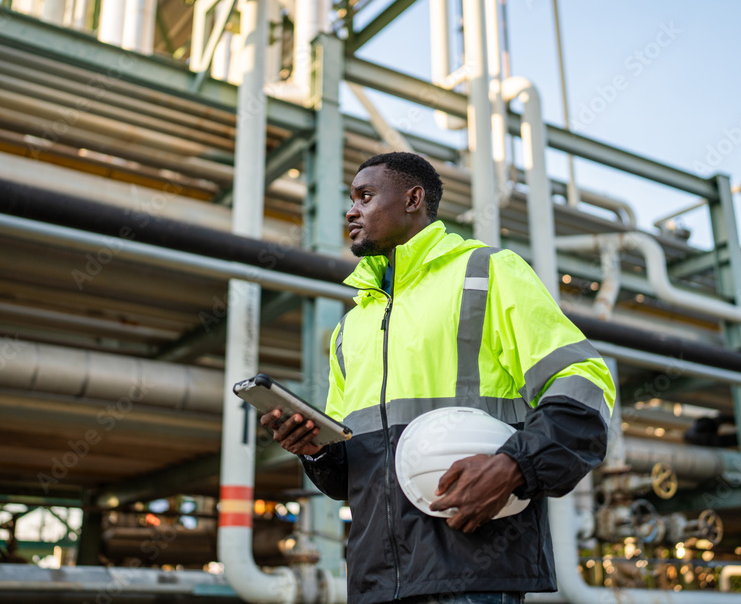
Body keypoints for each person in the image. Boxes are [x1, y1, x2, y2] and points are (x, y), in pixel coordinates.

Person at [262, 152, 615, 604]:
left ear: (413, 199)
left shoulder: (486, 272)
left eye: (365, 196)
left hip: (473, 569)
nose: (351, 211)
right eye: (351, 200)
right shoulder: (353, 326)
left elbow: (583, 382)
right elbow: (350, 475)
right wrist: (316, 453)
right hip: (375, 580)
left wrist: (517, 464)